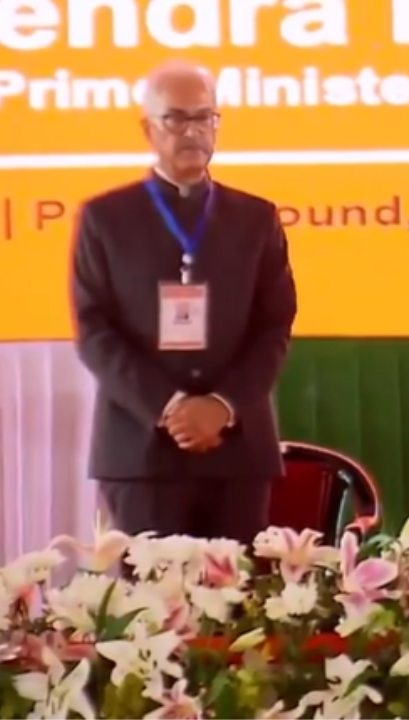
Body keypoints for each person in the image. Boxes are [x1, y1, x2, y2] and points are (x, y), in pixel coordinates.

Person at [70, 61, 298, 544]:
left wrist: (222, 405)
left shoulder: (256, 218)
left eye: (204, 117)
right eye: (176, 118)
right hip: (141, 452)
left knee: (240, 590)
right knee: (153, 591)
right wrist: (170, 406)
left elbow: (274, 326)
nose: (192, 131)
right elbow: (94, 331)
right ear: (147, 128)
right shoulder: (105, 218)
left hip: (237, 451)